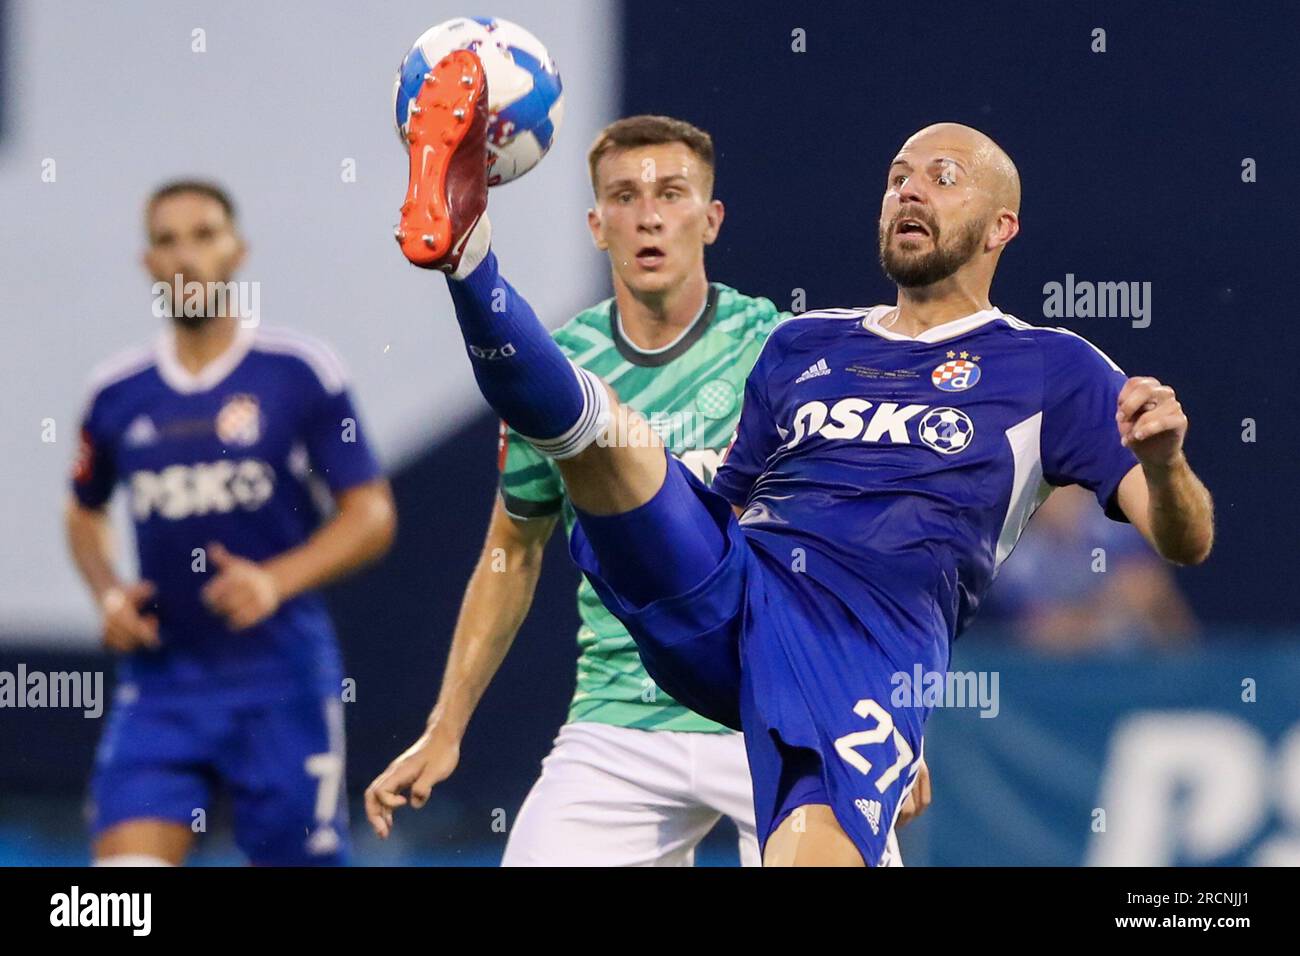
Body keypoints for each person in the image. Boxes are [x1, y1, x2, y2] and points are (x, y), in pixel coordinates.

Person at [381, 50, 1212, 866]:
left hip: (860, 650)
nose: (910, 189)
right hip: (735, 591)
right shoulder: (803, 345)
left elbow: (1186, 540)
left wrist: (1167, 462)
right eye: (897, 176)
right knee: (609, 436)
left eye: (943, 177)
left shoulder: (1052, 366)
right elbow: (728, 505)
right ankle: (466, 253)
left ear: (1003, 227)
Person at [366, 116, 925, 865]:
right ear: (597, 226)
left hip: (779, 707)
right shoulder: (559, 369)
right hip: (620, 722)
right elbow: (513, 550)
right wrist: (446, 725)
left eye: (672, 192)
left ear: (711, 218)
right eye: (625, 197)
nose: (650, 214)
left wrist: (893, 718)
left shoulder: (783, 353)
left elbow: (851, 548)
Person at [66, 180, 396, 865]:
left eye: (204, 234)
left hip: (279, 682)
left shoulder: (298, 373)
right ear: (148, 263)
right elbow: (83, 510)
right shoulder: (116, 393)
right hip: (161, 686)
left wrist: (276, 580)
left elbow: (371, 513)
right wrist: (106, 590)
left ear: (237, 251)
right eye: (166, 240)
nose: (185, 255)